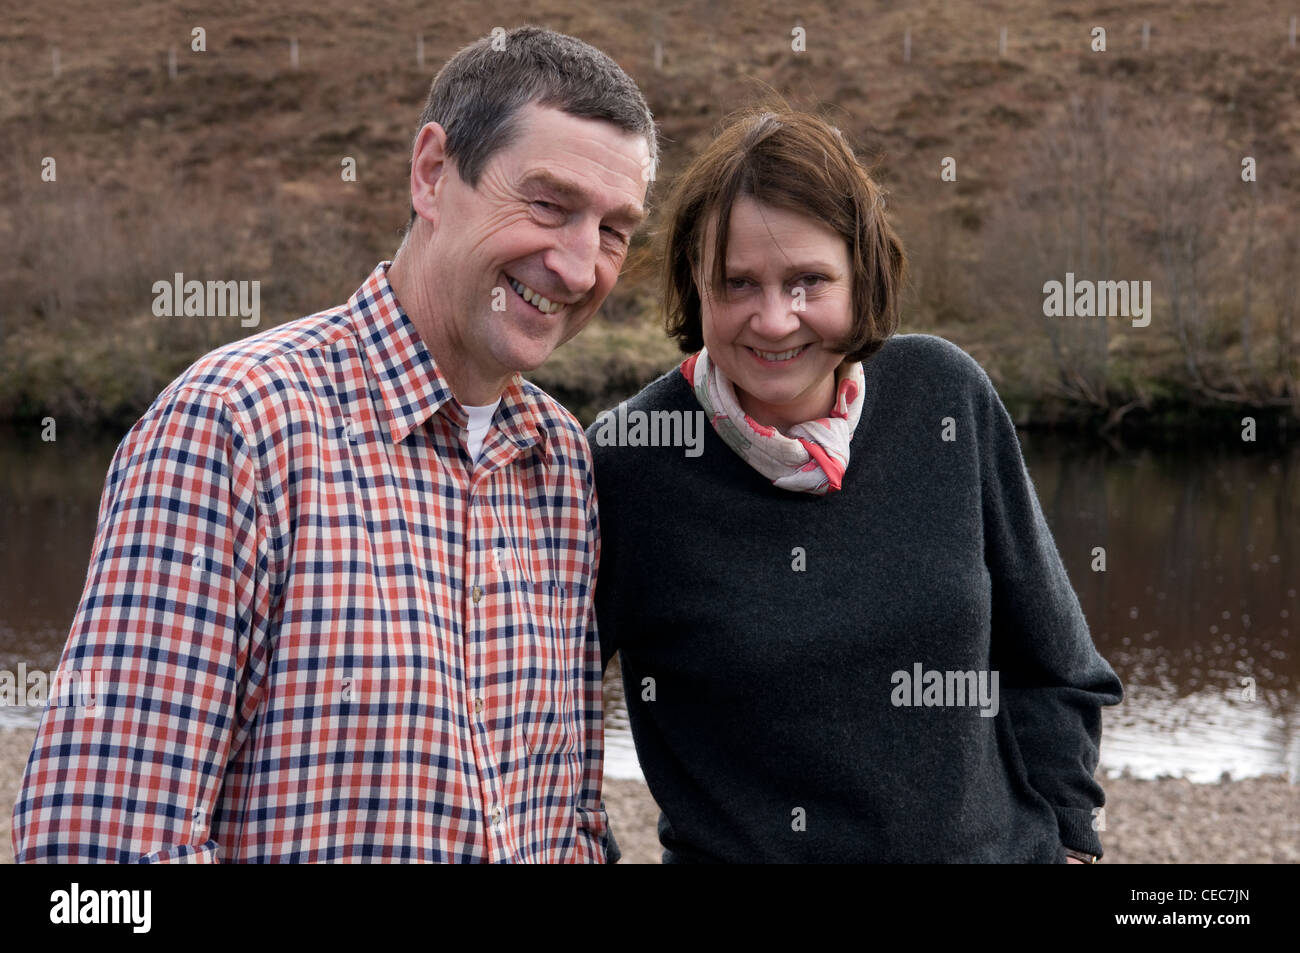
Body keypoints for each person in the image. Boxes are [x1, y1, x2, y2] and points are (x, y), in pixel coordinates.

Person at [12, 26, 655, 863]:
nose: (577, 267)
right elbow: (96, 853)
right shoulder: (234, 427)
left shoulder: (562, 462)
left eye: (613, 230)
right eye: (548, 204)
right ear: (432, 173)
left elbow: (563, 819)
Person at [588, 106, 1124, 863]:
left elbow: (1058, 663)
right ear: (693, 286)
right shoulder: (631, 457)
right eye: (737, 283)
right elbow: (538, 729)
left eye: (808, 280)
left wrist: (1069, 834)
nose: (774, 320)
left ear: (863, 274)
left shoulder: (944, 396)